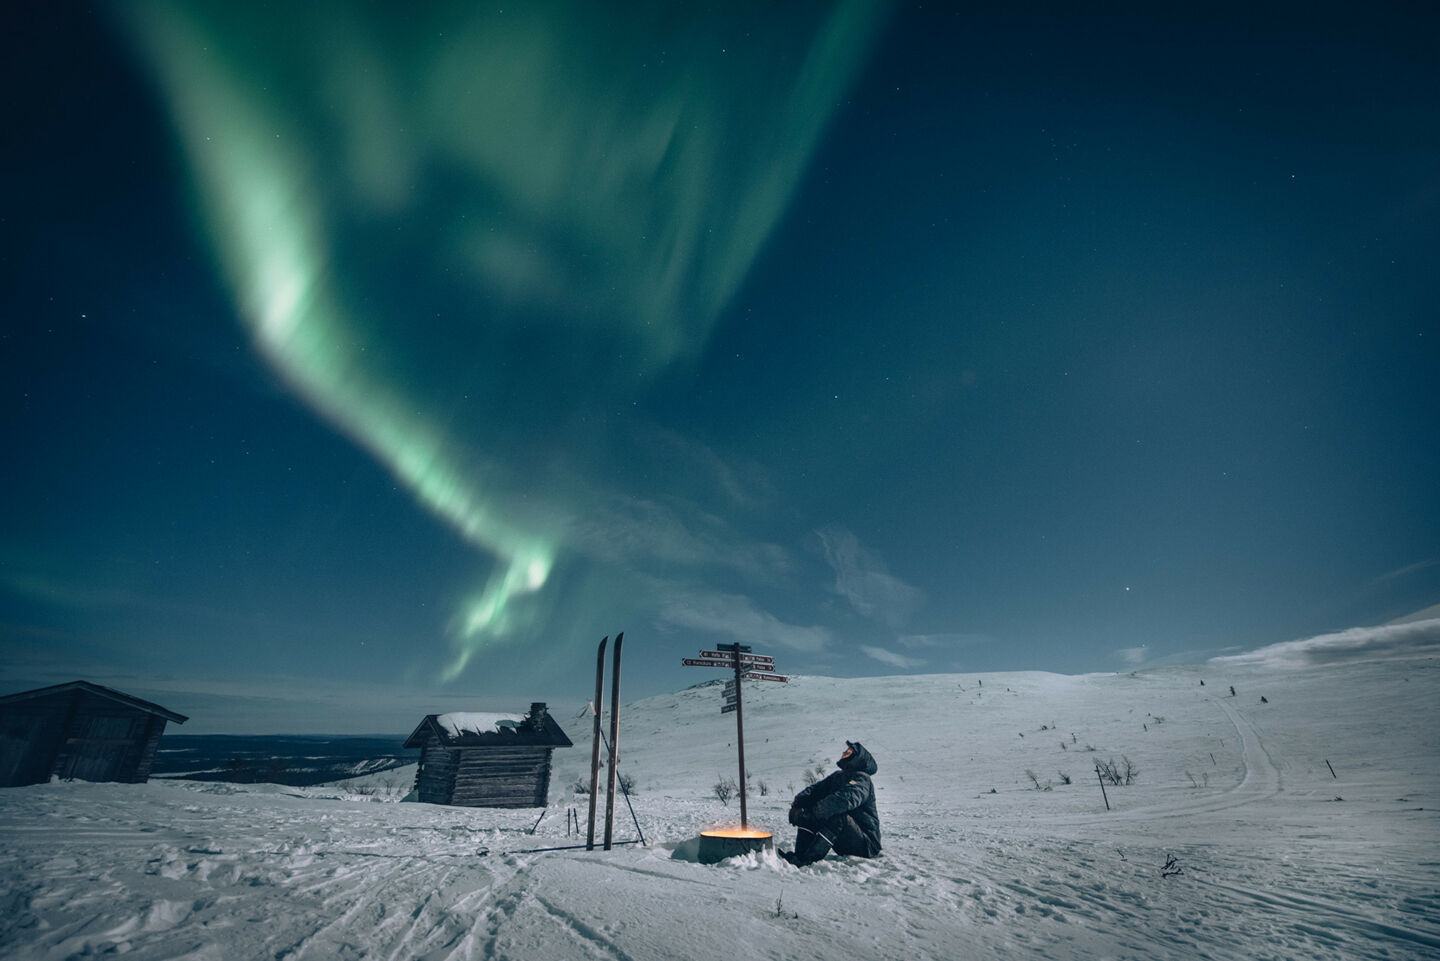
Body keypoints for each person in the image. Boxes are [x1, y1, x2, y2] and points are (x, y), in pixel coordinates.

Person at [781, 740, 881, 866]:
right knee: (807, 812)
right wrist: (798, 805)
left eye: (848, 752)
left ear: (857, 758)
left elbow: (844, 799)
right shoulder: (838, 777)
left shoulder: (862, 780)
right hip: (846, 840)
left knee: (837, 816)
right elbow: (815, 791)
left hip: (866, 845)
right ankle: (799, 856)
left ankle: (807, 860)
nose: (844, 753)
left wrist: (814, 812)